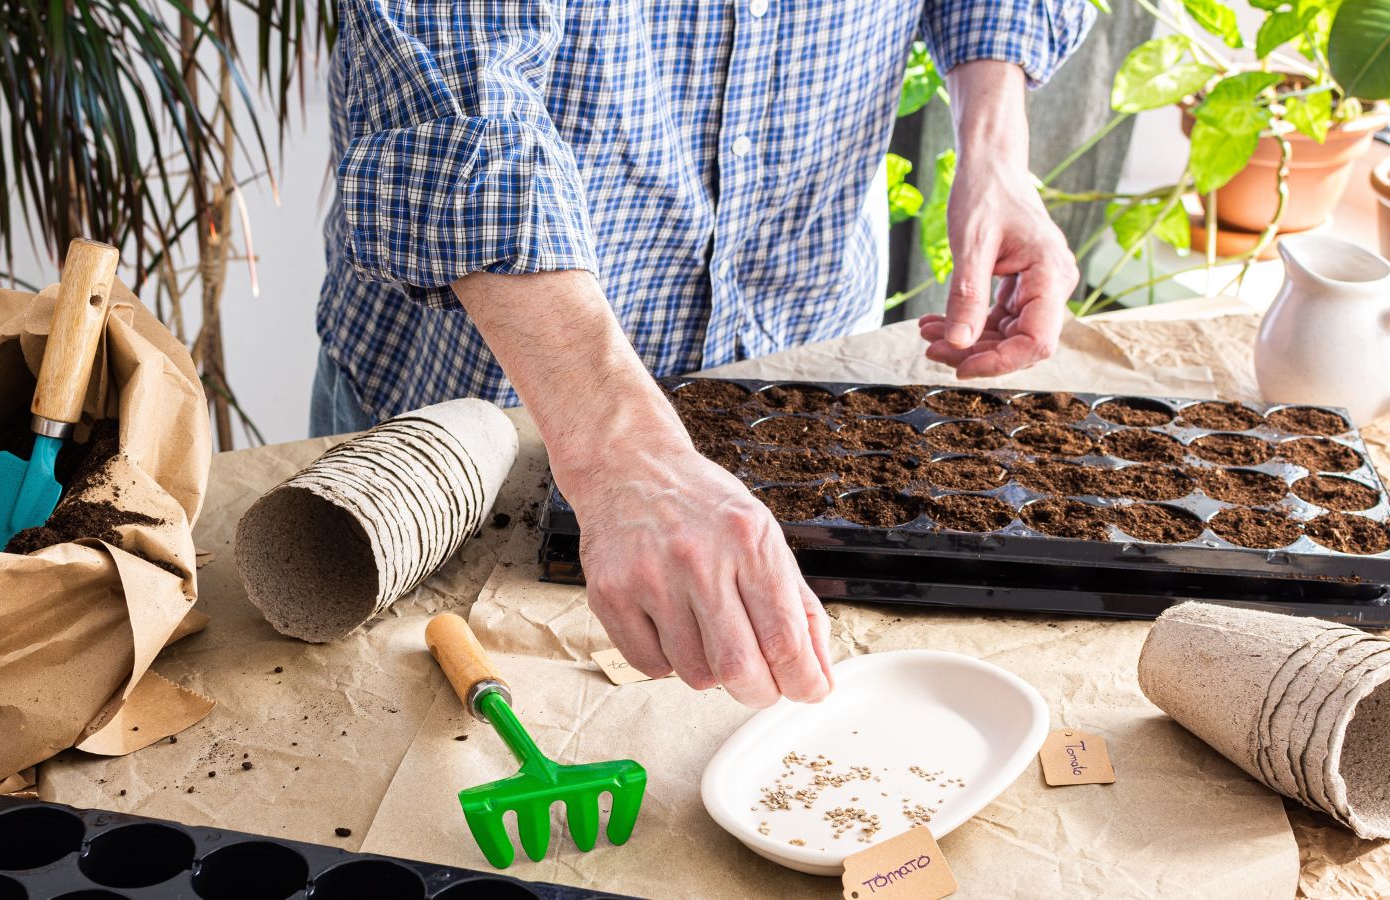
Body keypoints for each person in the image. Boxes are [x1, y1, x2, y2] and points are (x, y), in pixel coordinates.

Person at [314, 0, 1093, 709]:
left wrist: (995, 150)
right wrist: (624, 455)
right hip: (489, 402)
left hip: (798, 356)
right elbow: (453, 83)